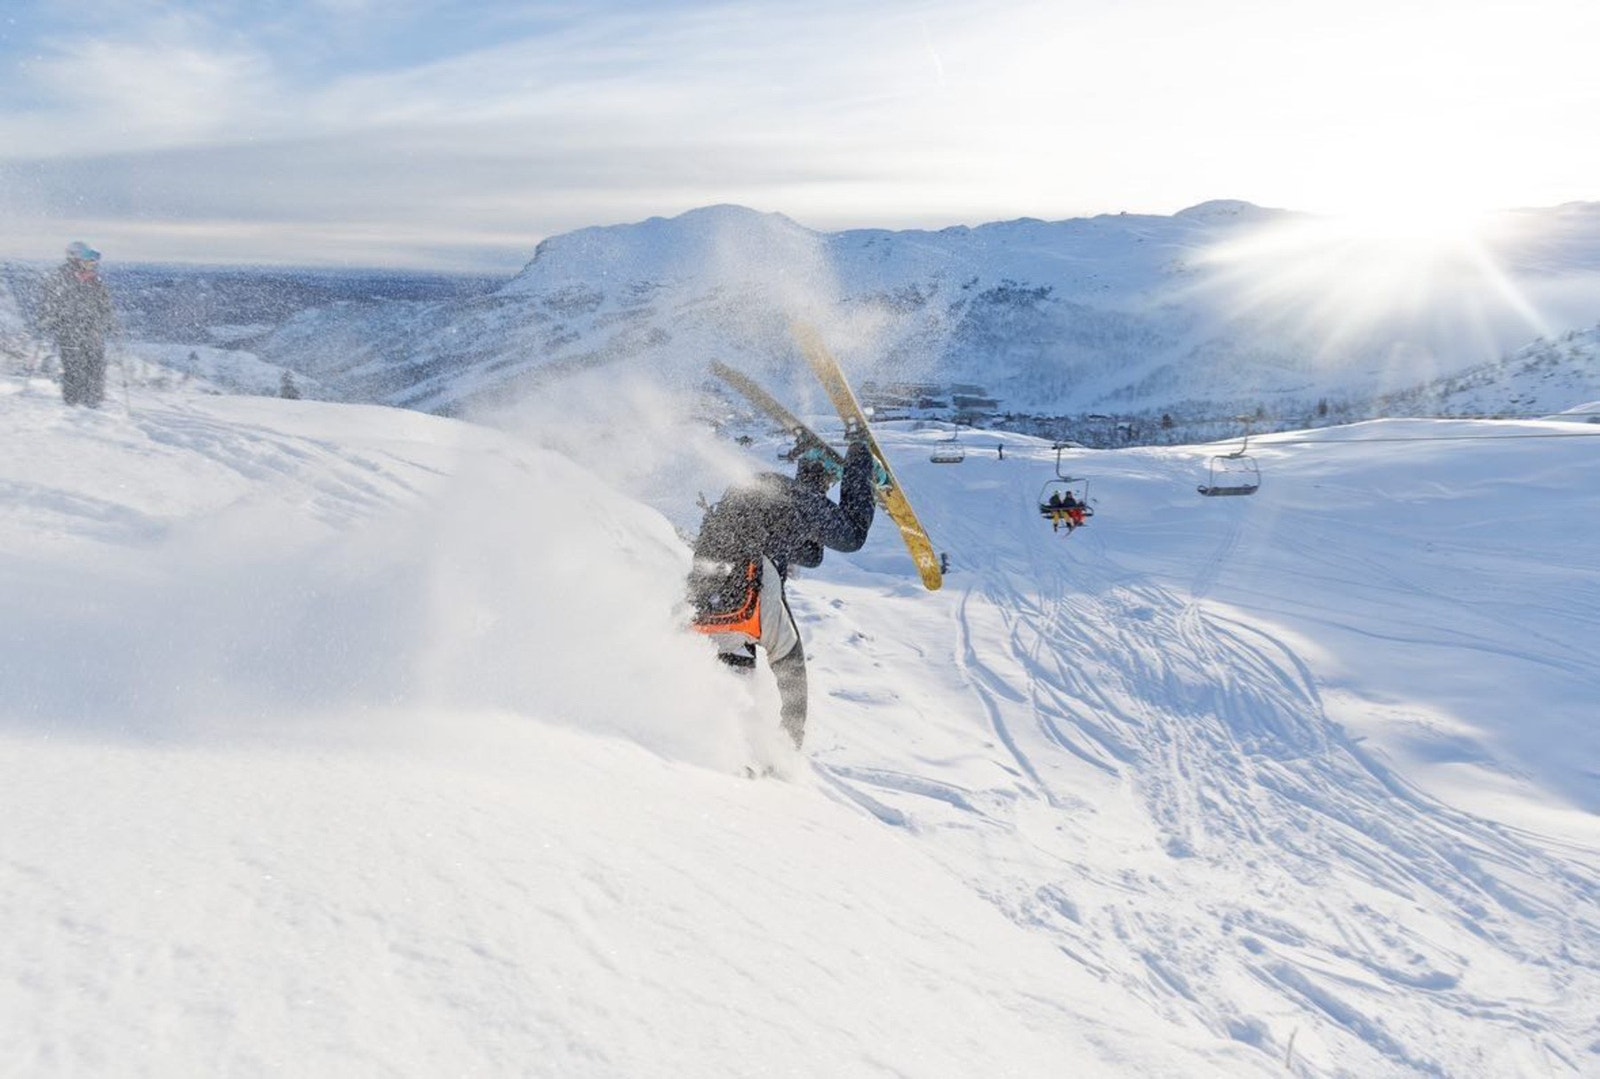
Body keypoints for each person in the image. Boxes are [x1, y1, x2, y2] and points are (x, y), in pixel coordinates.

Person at [687, 432, 876, 749]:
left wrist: (789, 748)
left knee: (852, 535)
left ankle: (861, 452)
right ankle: (814, 464)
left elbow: (794, 682)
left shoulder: (760, 621)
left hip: (776, 506)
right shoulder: (699, 622)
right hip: (749, 500)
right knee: (812, 555)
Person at [36, 242, 117, 407]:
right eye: (89, 261)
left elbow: (105, 305)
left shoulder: (94, 281)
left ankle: (92, 402)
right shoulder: (62, 279)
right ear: (76, 259)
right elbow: (51, 304)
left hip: (92, 331)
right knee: (75, 367)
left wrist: (110, 322)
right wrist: (55, 319)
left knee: (95, 366)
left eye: (94, 262)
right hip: (71, 332)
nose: (92, 266)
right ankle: (74, 404)